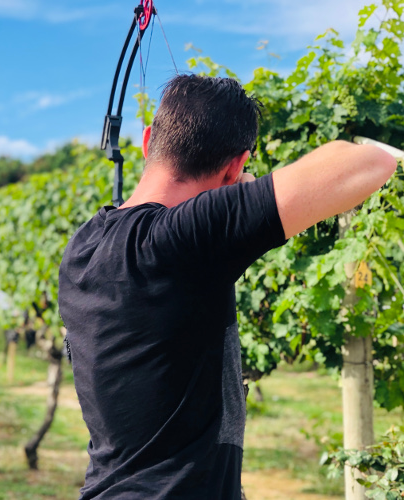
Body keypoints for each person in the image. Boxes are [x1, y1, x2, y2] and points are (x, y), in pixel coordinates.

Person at [57, 74, 398, 499]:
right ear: (236, 165)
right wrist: (242, 193)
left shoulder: (82, 246)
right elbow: (371, 163)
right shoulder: (184, 240)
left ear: (147, 142)